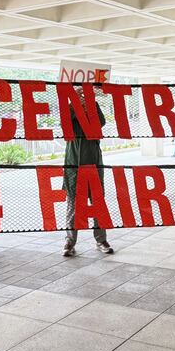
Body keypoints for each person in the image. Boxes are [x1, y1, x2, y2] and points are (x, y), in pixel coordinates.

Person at [62, 86, 114, 257]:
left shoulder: (94, 107)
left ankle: (101, 240)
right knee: (72, 206)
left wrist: (89, 105)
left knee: (98, 204)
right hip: (73, 167)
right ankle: (70, 242)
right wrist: (73, 103)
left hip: (93, 165)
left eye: (84, 95)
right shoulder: (69, 111)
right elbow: (65, 122)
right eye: (79, 95)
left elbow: (101, 121)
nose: (82, 97)